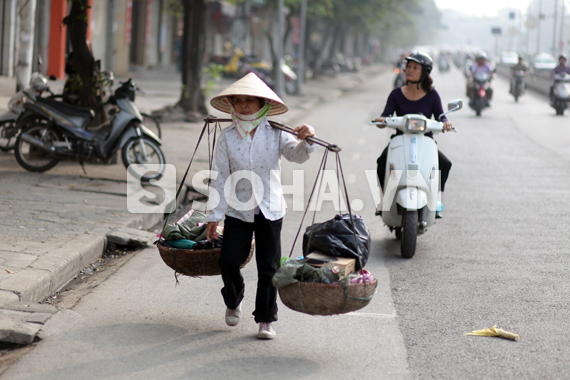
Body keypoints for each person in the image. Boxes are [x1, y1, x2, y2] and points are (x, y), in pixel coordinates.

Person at [205, 73, 316, 340]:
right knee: (229, 260)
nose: (244, 106)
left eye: (249, 101)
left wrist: (308, 138)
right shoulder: (227, 137)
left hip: (270, 209)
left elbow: (297, 155)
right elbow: (219, 176)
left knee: (268, 267)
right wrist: (214, 216)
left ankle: (265, 319)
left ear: (261, 104)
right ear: (232, 105)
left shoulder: (277, 133)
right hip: (237, 209)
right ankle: (234, 299)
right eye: (239, 101)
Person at [374, 52, 453, 218]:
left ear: (424, 72)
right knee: (382, 162)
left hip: (425, 141)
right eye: (408, 67)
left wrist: (445, 122)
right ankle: (384, 200)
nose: (410, 70)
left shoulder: (432, 94)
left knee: (444, 164)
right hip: (399, 140)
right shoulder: (396, 93)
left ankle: (436, 198)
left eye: (415, 68)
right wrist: (382, 120)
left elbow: (440, 115)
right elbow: (386, 114)